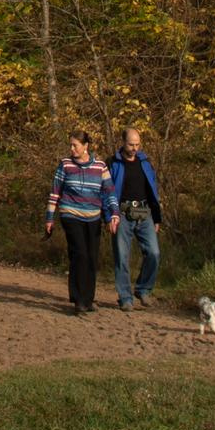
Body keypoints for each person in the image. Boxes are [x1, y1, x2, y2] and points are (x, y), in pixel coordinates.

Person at [42, 131, 112, 315]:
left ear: (85, 146)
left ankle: (88, 298)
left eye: (75, 145)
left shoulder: (100, 166)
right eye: (71, 145)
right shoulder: (65, 165)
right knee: (80, 253)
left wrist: (114, 214)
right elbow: (55, 192)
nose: (72, 149)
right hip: (70, 213)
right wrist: (50, 217)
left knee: (91, 256)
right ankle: (79, 300)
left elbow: (109, 192)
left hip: (93, 216)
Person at [107, 127, 166, 310]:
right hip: (122, 213)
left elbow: (153, 190)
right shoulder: (113, 163)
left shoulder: (145, 162)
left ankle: (143, 289)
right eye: (131, 144)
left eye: (137, 144)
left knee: (154, 253)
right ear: (123, 143)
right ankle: (125, 297)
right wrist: (110, 216)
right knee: (122, 257)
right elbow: (107, 191)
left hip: (144, 212)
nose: (134, 148)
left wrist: (156, 217)